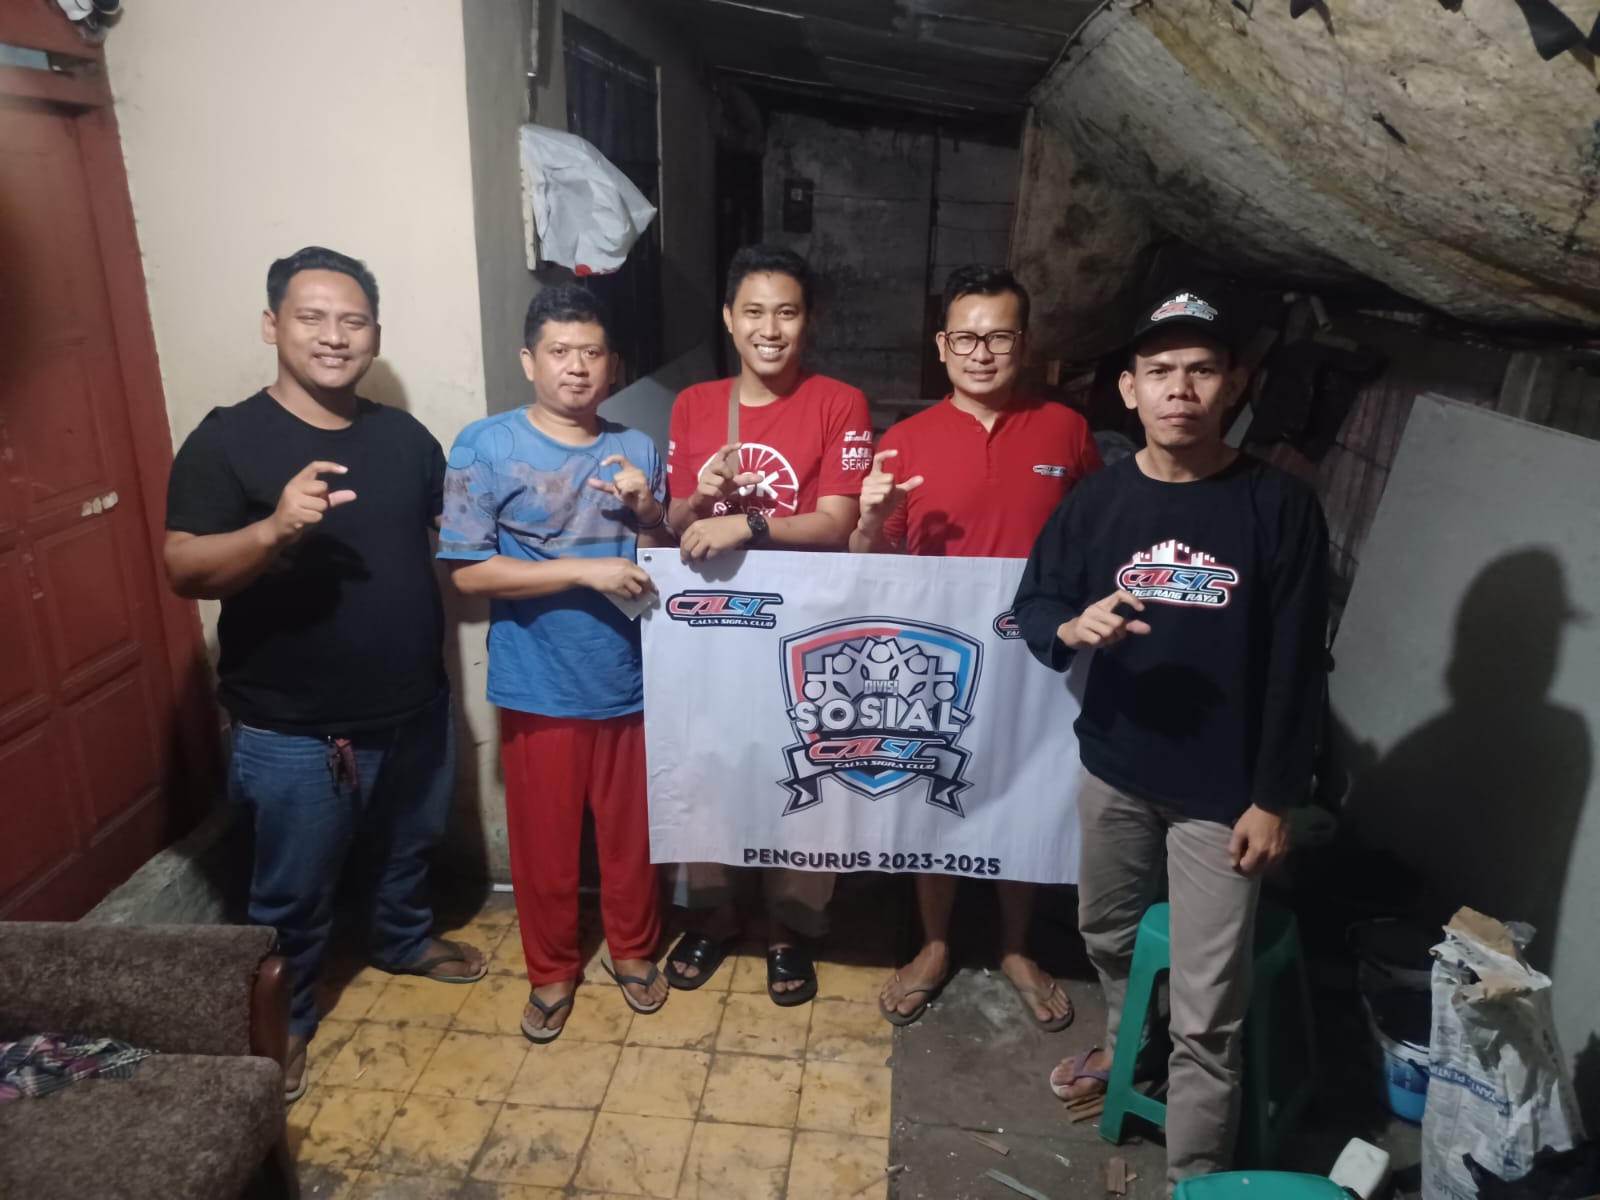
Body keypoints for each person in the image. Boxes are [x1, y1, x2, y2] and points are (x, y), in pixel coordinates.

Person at [1012, 288, 1330, 1189]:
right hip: (1115, 768)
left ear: (1233, 385)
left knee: (1208, 1011)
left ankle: (1196, 1178)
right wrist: (1070, 627)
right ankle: (1128, 1050)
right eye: (1159, 372)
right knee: (1107, 934)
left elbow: (1301, 664)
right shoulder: (1097, 502)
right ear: (1129, 389)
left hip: (1224, 798)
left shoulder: (1279, 506)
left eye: (1200, 370)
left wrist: (1274, 798)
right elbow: (1037, 601)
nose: (1179, 389)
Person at [164, 246, 485, 1103]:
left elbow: (460, 535)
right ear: (272, 325)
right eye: (312, 317)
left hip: (415, 703)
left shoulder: (404, 438)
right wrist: (272, 530)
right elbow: (183, 567)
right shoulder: (226, 439)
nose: (334, 336)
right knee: (292, 891)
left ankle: (401, 939)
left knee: (408, 846)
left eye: (353, 320)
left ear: (375, 334)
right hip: (295, 727)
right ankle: (291, 1018)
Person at [850, 265, 1102, 1030]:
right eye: (966, 338)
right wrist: (869, 521)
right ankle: (935, 943)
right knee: (936, 790)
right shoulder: (905, 440)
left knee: (1027, 792)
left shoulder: (1066, 430)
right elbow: (872, 566)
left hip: (1034, 659)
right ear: (942, 346)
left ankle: (1017, 945)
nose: (981, 353)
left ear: (1024, 344)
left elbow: (1094, 536)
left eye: (998, 337)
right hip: (938, 659)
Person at [439, 284, 672, 1041]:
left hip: (630, 676)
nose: (577, 367)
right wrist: (583, 572)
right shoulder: (486, 446)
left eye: (592, 352)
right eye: (560, 352)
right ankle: (551, 970)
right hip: (538, 681)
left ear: (613, 363)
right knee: (544, 845)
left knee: (633, 835)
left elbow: (662, 558)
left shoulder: (638, 447)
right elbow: (468, 573)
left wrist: (647, 512)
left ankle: (632, 950)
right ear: (528, 360)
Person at [663, 244, 873, 1005]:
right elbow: (674, 522)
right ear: (729, 318)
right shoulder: (694, 404)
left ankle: (790, 924)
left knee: (805, 771)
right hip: (715, 626)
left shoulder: (838, 402)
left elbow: (837, 521)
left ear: (808, 321)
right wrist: (699, 500)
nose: (770, 329)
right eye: (753, 312)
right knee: (709, 766)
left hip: (808, 626)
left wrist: (747, 523)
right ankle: (716, 914)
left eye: (787, 312)